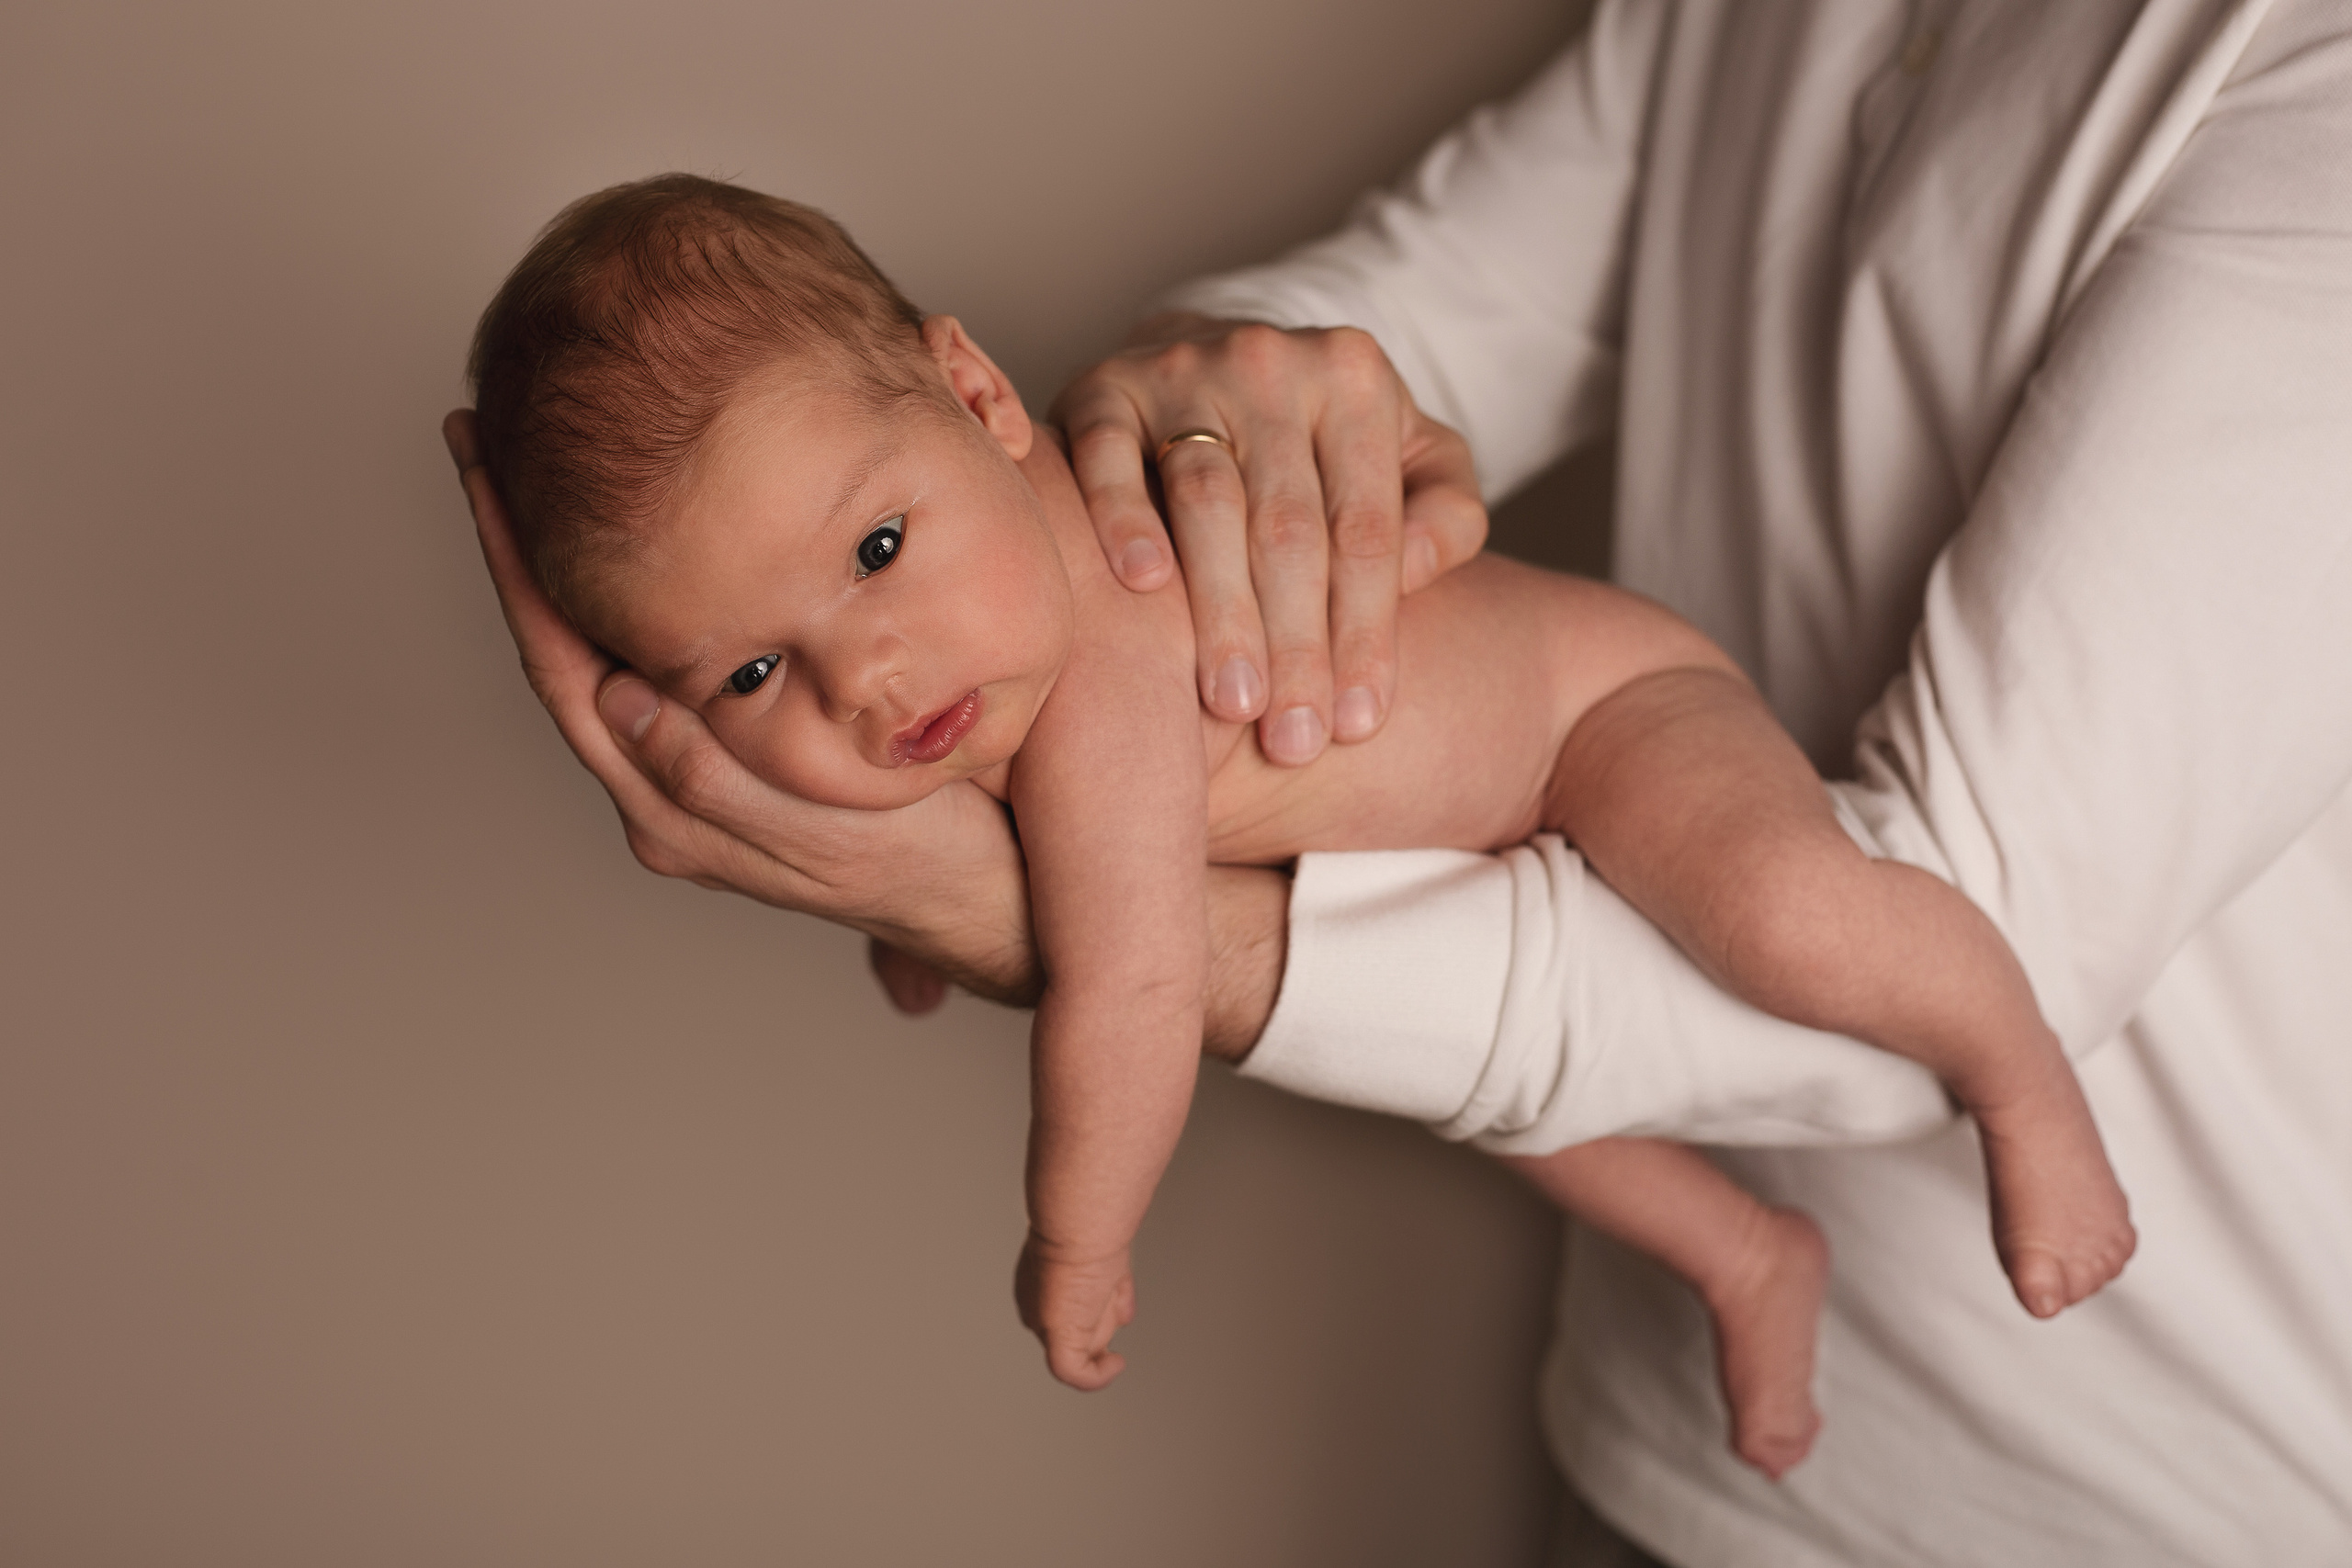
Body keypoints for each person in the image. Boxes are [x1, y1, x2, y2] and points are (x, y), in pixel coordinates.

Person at [447, 1, 2352, 1559]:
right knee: (1490, 1082)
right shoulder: (980, 588)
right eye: (753, 671)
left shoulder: (1093, 664)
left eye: (875, 554)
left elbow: (1116, 978)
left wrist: (1074, 1229)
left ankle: (2025, 1088)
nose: (873, 677)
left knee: (1783, 912)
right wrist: (1207, 391)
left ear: (975, 398)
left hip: (1601, 738)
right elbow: (1399, 323)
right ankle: (1738, 1248)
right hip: (1663, 1415)